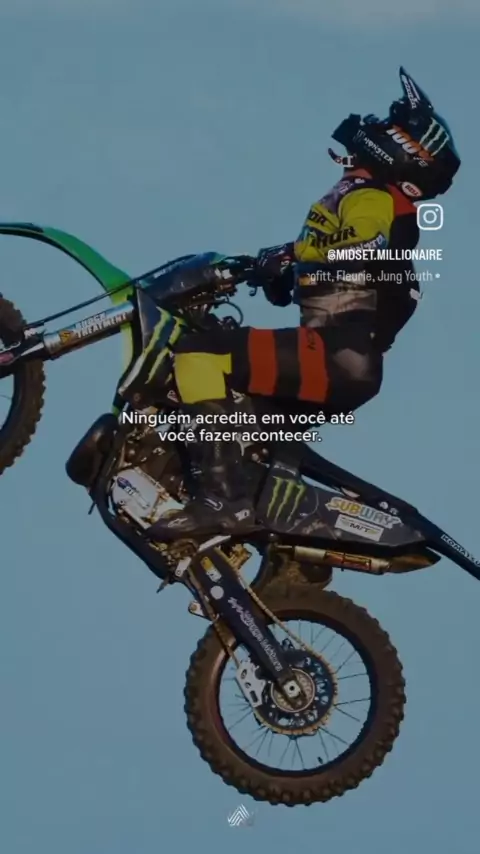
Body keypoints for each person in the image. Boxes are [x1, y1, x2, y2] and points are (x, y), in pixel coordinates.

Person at [130, 67, 461, 539]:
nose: (372, 124)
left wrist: (295, 257)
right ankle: (247, 523)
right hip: (342, 358)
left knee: (198, 355)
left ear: (405, 149)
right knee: (236, 422)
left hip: (336, 355)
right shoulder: (363, 196)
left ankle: (223, 501)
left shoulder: (374, 198)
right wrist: (281, 267)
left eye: (389, 124)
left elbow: (365, 249)